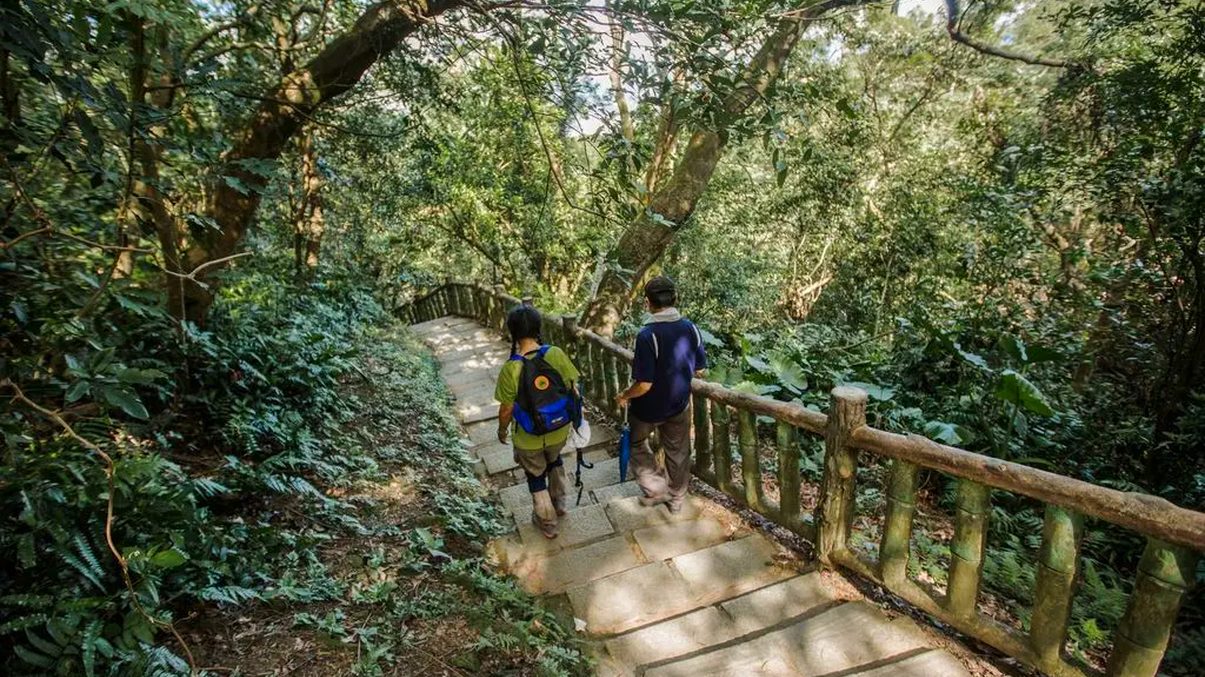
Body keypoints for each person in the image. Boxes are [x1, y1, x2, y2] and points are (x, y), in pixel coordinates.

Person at [615, 276, 707, 514]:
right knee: (678, 451)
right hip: (678, 405)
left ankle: (656, 488)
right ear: (675, 299)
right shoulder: (691, 328)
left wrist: (625, 395)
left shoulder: (647, 335)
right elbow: (700, 369)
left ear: (648, 303)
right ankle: (676, 498)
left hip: (647, 409)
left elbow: (644, 384)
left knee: (635, 443)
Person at [495, 305, 582, 539]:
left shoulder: (511, 368)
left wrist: (502, 431)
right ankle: (560, 504)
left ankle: (547, 522)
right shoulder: (555, 354)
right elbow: (573, 387)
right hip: (558, 428)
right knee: (554, 460)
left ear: (513, 332)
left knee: (535, 476)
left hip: (528, 436)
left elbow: (506, 409)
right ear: (537, 327)